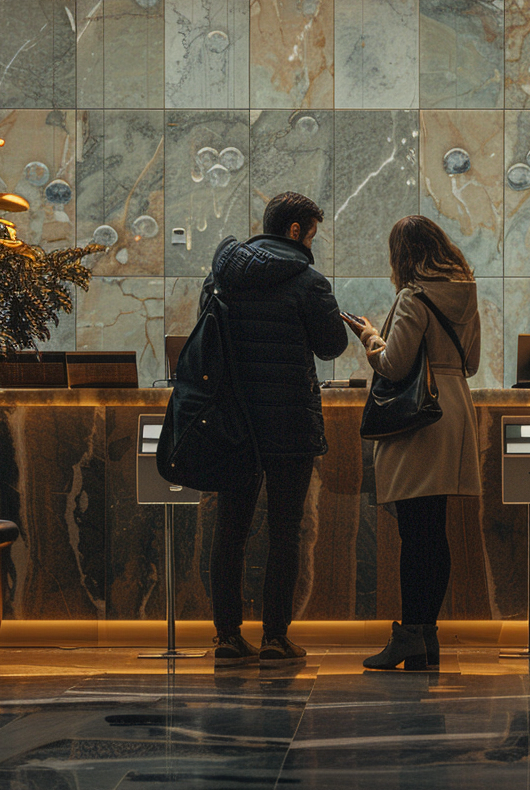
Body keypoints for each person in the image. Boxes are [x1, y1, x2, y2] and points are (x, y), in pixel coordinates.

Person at [201, 191, 348, 667]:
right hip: (288, 422)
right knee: (285, 530)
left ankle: (226, 636)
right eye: (312, 234)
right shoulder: (309, 282)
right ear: (295, 230)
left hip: (234, 422)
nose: (313, 243)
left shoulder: (221, 275)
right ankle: (274, 638)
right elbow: (331, 347)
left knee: (230, 529)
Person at [342, 215, 481, 671]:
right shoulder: (466, 293)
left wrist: (369, 336)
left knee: (414, 534)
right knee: (432, 531)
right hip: (454, 408)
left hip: (420, 420)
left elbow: (395, 365)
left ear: (402, 256)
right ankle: (425, 636)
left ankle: (409, 637)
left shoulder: (412, 296)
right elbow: (473, 362)